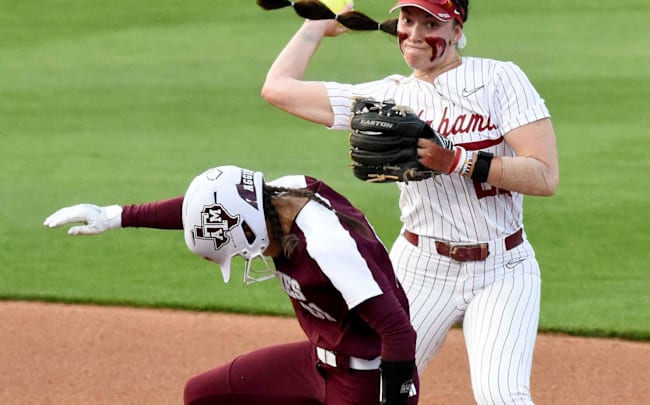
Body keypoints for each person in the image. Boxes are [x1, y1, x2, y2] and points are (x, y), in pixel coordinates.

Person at [260, 0, 560, 403]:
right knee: (371, 386)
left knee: (502, 395)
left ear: (456, 28)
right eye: (407, 20)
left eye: (430, 23)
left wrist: (457, 160)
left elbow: (544, 175)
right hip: (419, 270)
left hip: (503, 269)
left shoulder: (499, 79)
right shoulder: (385, 97)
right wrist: (318, 25)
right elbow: (277, 89)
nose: (415, 33)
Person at [44, 165, 419, 405]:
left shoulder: (327, 247)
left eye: (239, 250)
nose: (243, 256)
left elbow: (399, 330)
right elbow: (212, 205)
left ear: (252, 228)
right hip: (315, 362)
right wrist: (116, 216)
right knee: (204, 394)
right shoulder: (277, 195)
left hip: (364, 383)